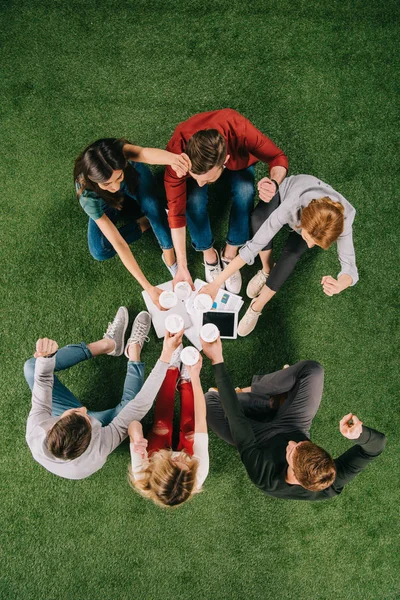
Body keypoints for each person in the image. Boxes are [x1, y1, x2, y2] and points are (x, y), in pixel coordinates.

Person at [202, 336, 386, 501]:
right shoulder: (332, 478)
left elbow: (236, 418)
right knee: (313, 371)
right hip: (294, 425)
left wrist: (217, 360)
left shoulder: (264, 477)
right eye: (301, 445)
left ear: (296, 477)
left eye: (291, 452)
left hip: (257, 439)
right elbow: (375, 447)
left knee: (209, 401)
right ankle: (269, 400)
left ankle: (273, 401)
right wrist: (360, 434)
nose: (290, 443)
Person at [24, 307, 183, 480]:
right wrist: (166, 354)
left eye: (77, 412)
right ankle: (134, 350)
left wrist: (47, 357)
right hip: (97, 433)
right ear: (90, 438)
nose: (84, 409)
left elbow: (43, 378)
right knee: (130, 407)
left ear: (52, 426)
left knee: (32, 368)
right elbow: (139, 405)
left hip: (66, 422)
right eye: (86, 417)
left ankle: (109, 344)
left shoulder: (37, 428)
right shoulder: (96, 453)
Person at [201, 174, 358, 336]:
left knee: (292, 255)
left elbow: (350, 268)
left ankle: (256, 307)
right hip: (285, 195)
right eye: (308, 239)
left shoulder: (344, 222)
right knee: (258, 219)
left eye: (315, 244)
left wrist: (341, 284)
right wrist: (215, 284)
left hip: (311, 220)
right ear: (301, 221)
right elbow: (254, 246)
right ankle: (267, 270)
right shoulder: (290, 206)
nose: (310, 246)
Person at [164, 109, 288, 294]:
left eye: (206, 179)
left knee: (245, 191)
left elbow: (277, 157)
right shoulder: (177, 154)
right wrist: (182, 265)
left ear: (225, 161)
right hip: (199, 161)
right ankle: (209, 255)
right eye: (195, 176)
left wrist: (274, 183)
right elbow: (176, 214)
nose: (200, 183)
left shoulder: (240, 129)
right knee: (193, 198)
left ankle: (230, 253)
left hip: (240, 160)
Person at [75, 138, 190, 309]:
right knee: (99, 250)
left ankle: (169, 256)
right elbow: (119, 244)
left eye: (117, 177)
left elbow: (143, 153)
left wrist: (175, 159)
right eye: (107, 183)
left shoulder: (115, 151)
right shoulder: (87, 196)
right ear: (94, 181)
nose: (115, 186)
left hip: (132, 177)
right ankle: (144, 223)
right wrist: (148, 287)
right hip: (104, 200)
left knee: (152, 207)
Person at [129, 348, 209, 507]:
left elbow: (133, 425)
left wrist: (137, 437)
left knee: (162, 426)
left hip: (156, 454)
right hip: (171, 457)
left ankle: (171, 370)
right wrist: (195, 378)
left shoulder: (142, 472)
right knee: (190, 433)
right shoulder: (198, 473)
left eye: (172, 461)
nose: (177, 456)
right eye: (184, 463)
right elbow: (201, 421)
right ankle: (185, 382)